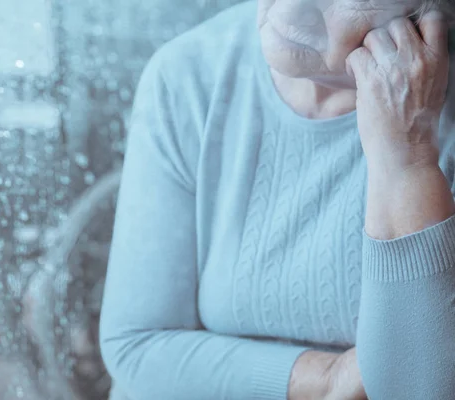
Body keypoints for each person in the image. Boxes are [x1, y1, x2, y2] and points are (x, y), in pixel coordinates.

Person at [99, 0, 455, 398]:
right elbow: (137, 347)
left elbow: (418, 388)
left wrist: (407, 158)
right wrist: (330, 380)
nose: (291, 9)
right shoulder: (191, 73)